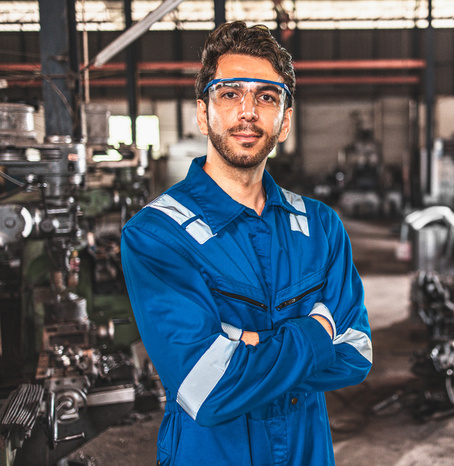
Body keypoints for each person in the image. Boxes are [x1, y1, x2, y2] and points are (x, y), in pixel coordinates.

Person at [121, 21, 372, 465]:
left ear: (285, 120)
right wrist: (315, 332)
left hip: (306, 454)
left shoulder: (320, 226)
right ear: (204, 113)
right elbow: (208, 389)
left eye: (267, 96)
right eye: (230, 93)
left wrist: (243, 343)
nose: (249, 111)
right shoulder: (156, 234)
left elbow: (355, 352)